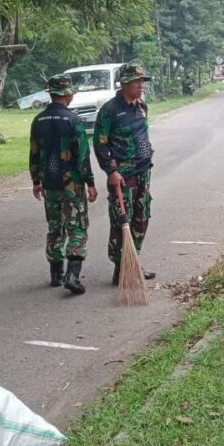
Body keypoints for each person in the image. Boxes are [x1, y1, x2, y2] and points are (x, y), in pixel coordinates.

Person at [29, 74, 98, 294]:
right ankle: (73, 275)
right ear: (67, 94)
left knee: (54, 227)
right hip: (72, 185)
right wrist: (90, 183)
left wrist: (36, 181)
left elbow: (34, 153)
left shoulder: (38, 120)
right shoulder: (73, 120)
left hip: (49, 184)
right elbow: (82, 156)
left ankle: (56, 274)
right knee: (76, 227)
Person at [93, 60, 157, 285]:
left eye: (142, 81)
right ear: (124, 83)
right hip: (123, 175)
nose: (141, 85)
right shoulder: (110, 111)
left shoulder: (141, 106)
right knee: (122, 220)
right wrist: (111, 171)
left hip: (143, 171)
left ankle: (134, 261)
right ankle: (120, 266)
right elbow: (100, 144)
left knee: (142, 217)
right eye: (136, 82)